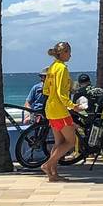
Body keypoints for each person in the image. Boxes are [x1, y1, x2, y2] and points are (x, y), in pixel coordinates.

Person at [41, 41, 82, 183]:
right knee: (71, 141)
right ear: (64, 53)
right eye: (69, 52)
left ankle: (53, 174)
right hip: (60, 110)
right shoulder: (62, 69)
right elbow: (60, 92)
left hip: (50, 108)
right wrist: (72, 106)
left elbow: (46, 89)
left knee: (59, 143)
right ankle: (48, 165)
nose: (70, 55)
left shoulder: (52, 67)